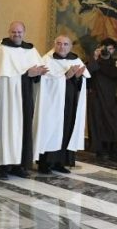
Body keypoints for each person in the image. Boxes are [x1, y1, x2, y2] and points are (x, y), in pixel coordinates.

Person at [0, 21, 47, 179]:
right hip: (7, 99)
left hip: (25, 95)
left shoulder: (31, 50)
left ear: (24, 32)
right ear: (9, 32)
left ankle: (19, 165)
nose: (17, 35)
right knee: (6, 129)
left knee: (24, 128)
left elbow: (37, 74)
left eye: (19, 32)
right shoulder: (2, 50)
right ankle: (1, 166)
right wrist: (27, 74)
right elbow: (2, 76)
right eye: (14, 32)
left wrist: (36, 74)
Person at [33, 36, 90, 174]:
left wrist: (77, 77)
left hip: (69, 103)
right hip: (51, 104)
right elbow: (43, 82)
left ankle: (60, 162)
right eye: (59, 44)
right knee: (51, 130)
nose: (62, 47)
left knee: (66, 129)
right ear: (54, 45)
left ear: (70, 46)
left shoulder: (75, 60)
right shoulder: (47, 59)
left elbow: (82, 83)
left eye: (65, 44)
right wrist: (65, 76)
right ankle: (45, 163)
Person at [87, 38, 117, 160]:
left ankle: (114, 151)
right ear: (100, 48)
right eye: (105, 48)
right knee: (98, 125)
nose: (108, 51)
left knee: (114, 124)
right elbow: (86, 73)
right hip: (96, 99)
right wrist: (94, 58)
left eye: (111, 48)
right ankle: (101, 151)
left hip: (111, 99)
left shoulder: (116, 63)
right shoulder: (93, 61)